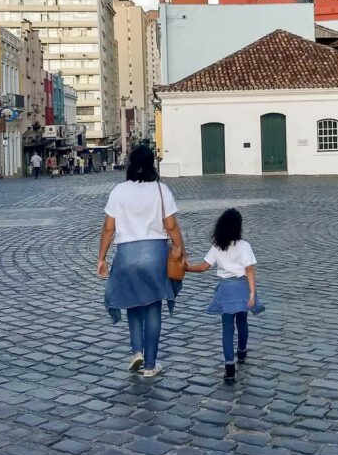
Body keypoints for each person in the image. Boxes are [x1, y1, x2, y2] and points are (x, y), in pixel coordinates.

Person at [97, 145, 185, 379]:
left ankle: (137, 352)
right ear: (151, 165)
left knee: (133, 306)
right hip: (154, 253)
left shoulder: (119, 191)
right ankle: (151, 365)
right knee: (153, 308)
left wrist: (102, 257)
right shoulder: (160, 190)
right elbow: (171, 226)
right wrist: (181, 250)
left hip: (126, 254)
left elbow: (108, 228)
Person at [185, 209, 264, 383]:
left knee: (227, 328)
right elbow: (249, 269)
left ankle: (229, 367)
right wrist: (252, 292)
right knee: (242, 321)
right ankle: (242, 352)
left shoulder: (217, 246)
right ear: (239, 227)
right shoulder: (245, 246)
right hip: (242, 287)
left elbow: (204, 266)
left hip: (226, 289)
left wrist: (186, 268)